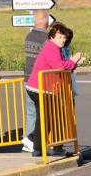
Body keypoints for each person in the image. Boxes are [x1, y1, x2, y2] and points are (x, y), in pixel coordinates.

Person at [26, 23, 85, 157]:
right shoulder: (52, 47)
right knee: (54, 117)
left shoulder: (53, 47)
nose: (62, 40)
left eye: (64, 38)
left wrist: (72, 63)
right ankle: (39, 144)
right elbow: (59, 66)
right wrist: (74, 61)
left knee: (46, 118)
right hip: (42, 89)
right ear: (52, 37)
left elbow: (60, 65)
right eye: (60, 37)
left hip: (40, 88)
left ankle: (39, 147)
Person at [21, 10, 50, 153]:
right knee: (43, 112)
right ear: (47, 21)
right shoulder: (46, 38)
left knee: (31, 112)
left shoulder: (29, 35)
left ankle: (28, 141)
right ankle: (37, 141)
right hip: (39, 79)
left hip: (27, 76)